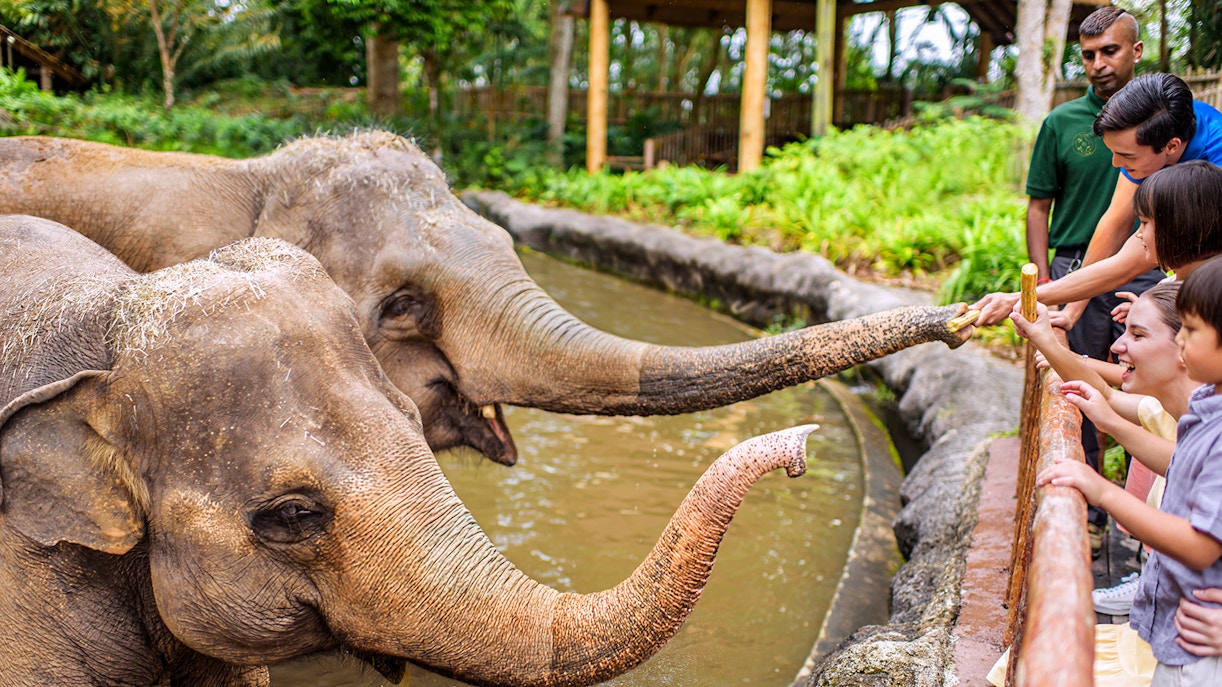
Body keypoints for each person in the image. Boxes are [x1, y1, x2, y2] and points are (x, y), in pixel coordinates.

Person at [1037, 255, 1222, 686]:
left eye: (1191, 332)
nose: (1180, 344)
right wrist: (1108, 420)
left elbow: (1201, 546)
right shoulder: (1203, 409)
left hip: (1197, 645)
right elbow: (1182, 466)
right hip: (1173, 631)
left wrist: (1101, 491)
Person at [1020, 7, 1159, 546]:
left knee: (1138, 374)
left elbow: (1126, 222)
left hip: (1143, 267)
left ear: (1137, 51)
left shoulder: (1167, 122)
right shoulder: (1061, 123)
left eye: (1111, 51)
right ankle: (1088, 511)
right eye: (1089, 54)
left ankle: (1141, 502)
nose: (1099, 64)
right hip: (1073, 263)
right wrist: (1040, 279)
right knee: (1072, 379)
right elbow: (1038, 207)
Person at [973, 73, 1222, 326]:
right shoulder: (1153, 134)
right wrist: (1072, 310)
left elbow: (1132, 261)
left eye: (1125, 156)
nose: (1116, 164)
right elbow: (1114, 223)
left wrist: (1020, 298)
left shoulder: (1213, 162)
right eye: (1113, 153)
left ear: (1171, 146)